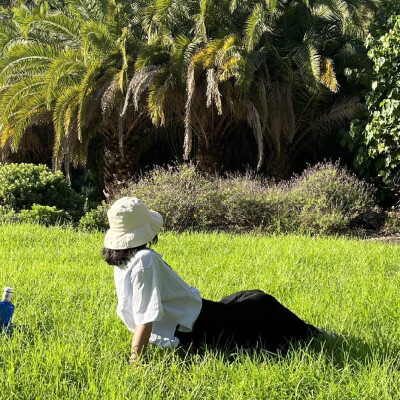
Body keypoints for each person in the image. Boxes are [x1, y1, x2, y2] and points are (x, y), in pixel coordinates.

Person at [102, 197, 323, 364]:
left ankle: (308, 331)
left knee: (247, 296)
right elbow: (144, 317)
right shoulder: (145, 260)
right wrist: (135, 363)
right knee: (262, 302)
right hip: (198, 326)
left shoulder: (123, 261)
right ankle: (312, 334)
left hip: (193, 316)